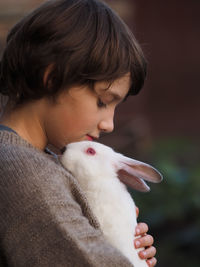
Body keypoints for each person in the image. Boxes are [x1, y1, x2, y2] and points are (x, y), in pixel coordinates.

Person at [0, 0, 157, 266]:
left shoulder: (37, 160)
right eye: (102, 102)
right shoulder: (25, 172)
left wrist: (120, 242)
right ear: (51, 78)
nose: (109, 124)